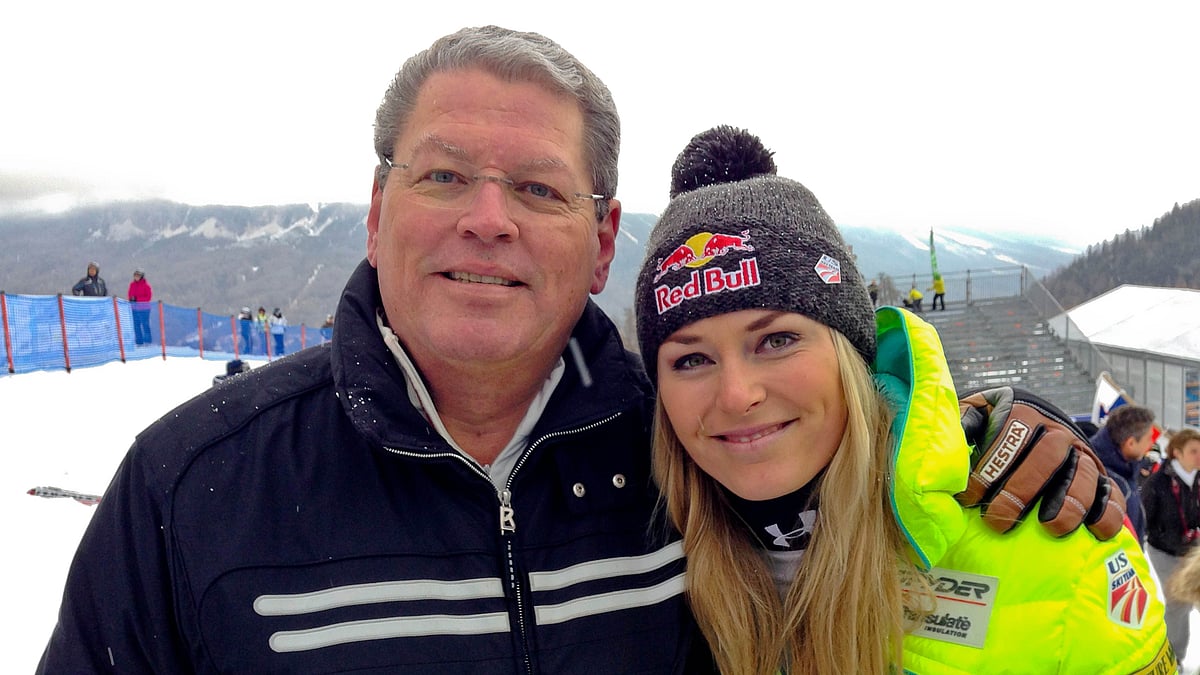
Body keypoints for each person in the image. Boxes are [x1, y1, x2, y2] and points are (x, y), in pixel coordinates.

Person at [36, 25, 708, 673]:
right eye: (445, 176)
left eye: (539, 189)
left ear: (602, 241)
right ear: (378, 214)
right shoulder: (186, 488)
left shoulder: (700, 454)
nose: (488, 219)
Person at [634, 126, 1170, 674]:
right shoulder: (642, 553)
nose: (737, 395)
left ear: (852, 355)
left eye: (777, 340)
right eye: (691, 359)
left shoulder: (1055, 551)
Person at [1142, 427, 1200, 664]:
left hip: (1194, 549)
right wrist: (1167, 536)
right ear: (1177, 452)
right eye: (1194, 451)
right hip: (1165, 551)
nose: (1199, 456)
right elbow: (1146, 518)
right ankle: (1174, 660)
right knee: (1179, 602)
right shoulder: (1158, 482)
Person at [1090, 404, 1158, 545]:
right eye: (1149, 438)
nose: (1151, 444)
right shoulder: (1108, 481)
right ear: (1131, 443)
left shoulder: (1125, 467)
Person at [127, 269, 153, 346]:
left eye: (138, 275)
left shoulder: (146, 286)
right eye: (135, 275)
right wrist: (131, 299)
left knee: (145, 325)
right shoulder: (132, 285)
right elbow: (130, 295)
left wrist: (137, 299)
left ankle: (147, 342)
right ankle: (139, 342)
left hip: (144, 309)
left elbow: (148, 297)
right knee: (136, 325)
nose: (136, 277)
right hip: (134, 308)